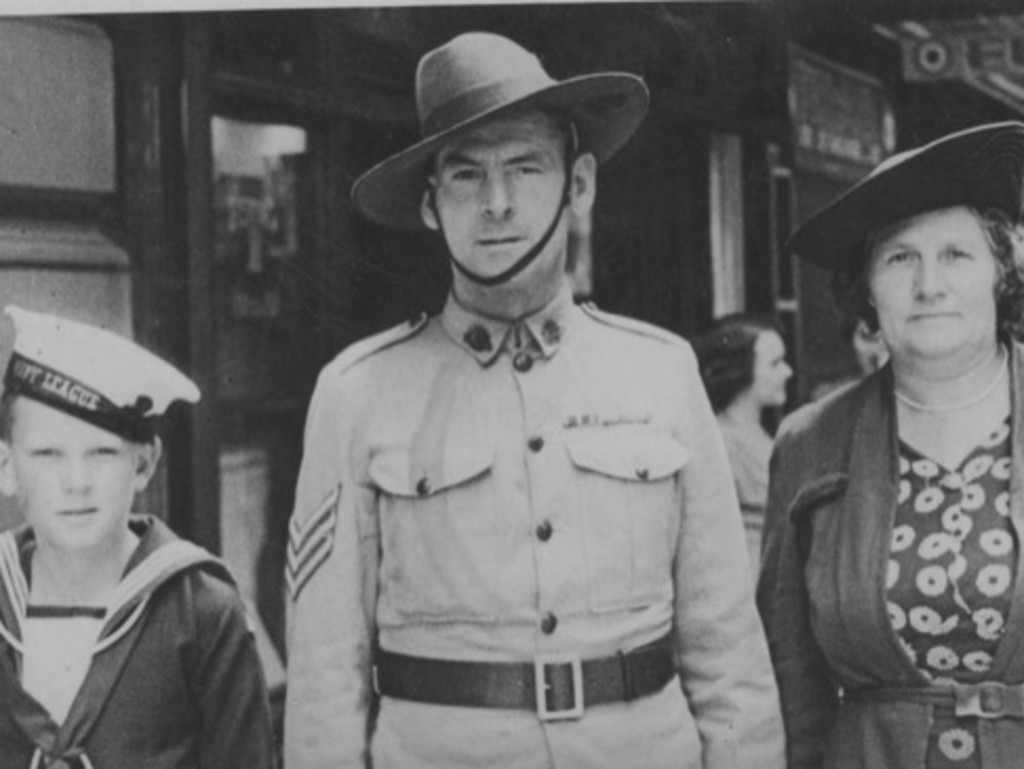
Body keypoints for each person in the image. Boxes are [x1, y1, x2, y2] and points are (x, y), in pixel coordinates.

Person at [284, 31, 785, 769]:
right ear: (430, 204)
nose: (496, 203)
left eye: (525, 166)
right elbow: (326, 675)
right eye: (464, 175)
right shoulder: (358, 392)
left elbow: (726, 649)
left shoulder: (662, 372)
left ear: (579, 183)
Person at [757, 121, 1024, 768]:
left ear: (1002, 272)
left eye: (956, 255)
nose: (928, 283)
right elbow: (788, 676)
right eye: (900, 257)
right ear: (866, 288)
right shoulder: (811, 442)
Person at [0, 306, 276, 768]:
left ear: (145, 464)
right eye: (48, 454)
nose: (76, 481)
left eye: (102, 453)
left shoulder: (200, 610)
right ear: (6, 467)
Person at [694, 313, 792, 574]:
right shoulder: (720, 443)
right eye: (775, 363)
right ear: (741, 370)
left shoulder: (759, 435)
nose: (787, 372)